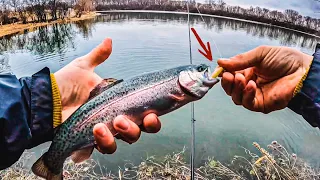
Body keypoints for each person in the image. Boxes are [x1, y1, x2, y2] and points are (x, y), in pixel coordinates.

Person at [0, 37, 318, 170]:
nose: (204, 75)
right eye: (198, 72)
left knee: (121, 129)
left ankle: (56, 158)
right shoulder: (182, 86)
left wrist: (35, 104)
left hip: (46, 113)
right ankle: (53, 163)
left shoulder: (186, 88)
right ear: (182, 79)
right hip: (79, 115)